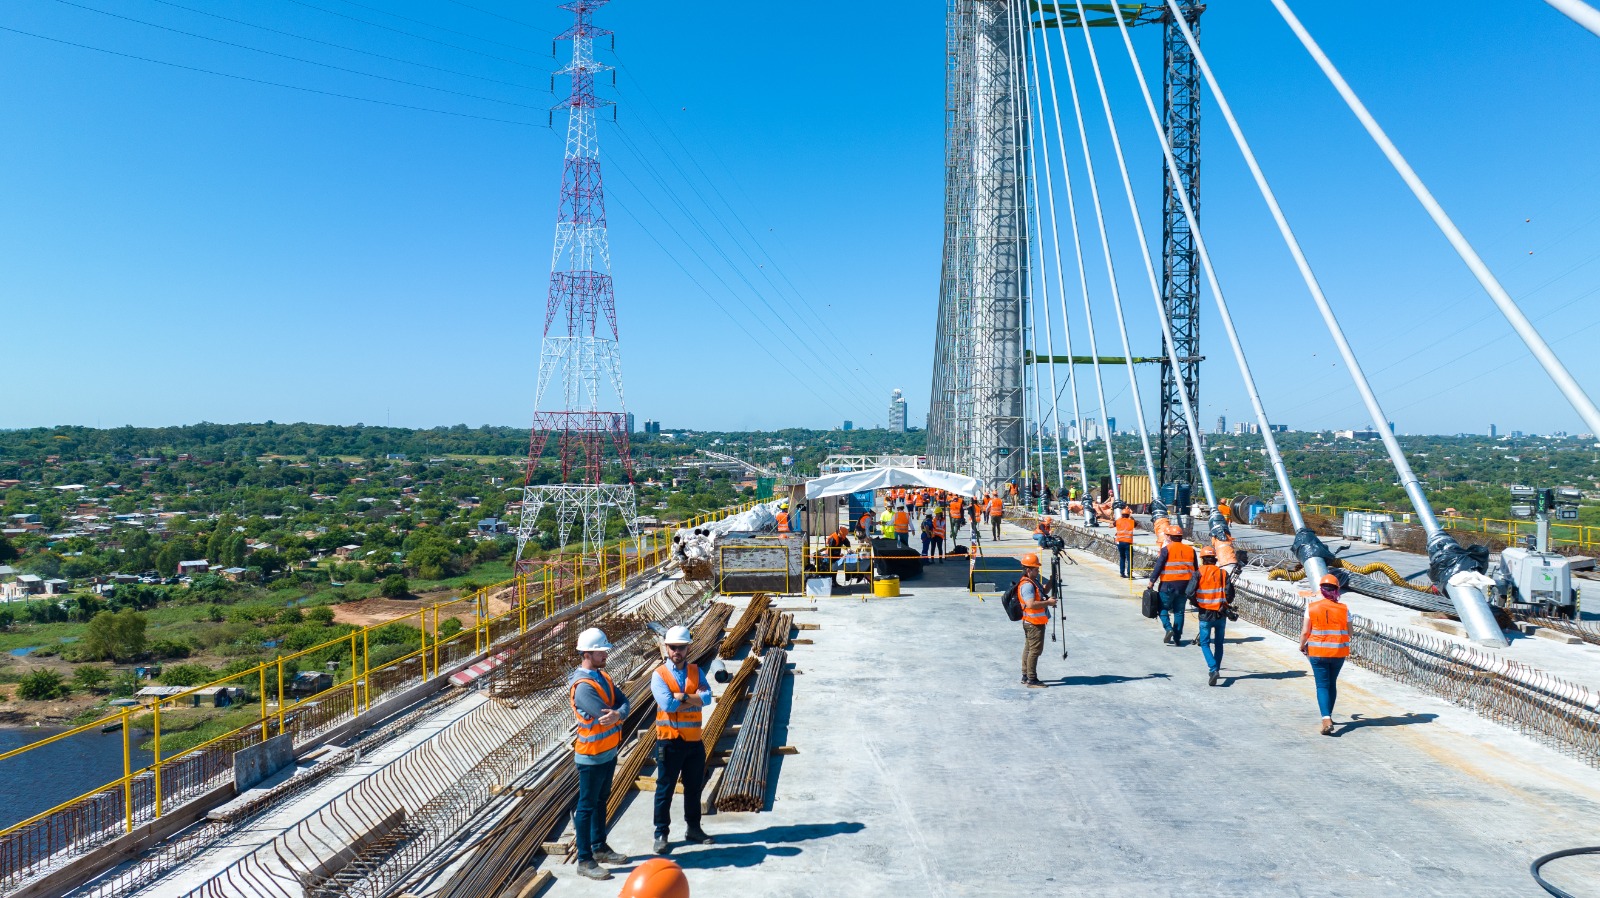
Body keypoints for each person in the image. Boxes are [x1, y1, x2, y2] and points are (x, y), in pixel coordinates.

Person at [569, 628, 632, 880]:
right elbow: (605, 714)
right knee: (586, 806)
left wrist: (620, 713)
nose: (606, 653)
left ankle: (599, 847)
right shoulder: (583, 687)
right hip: (591, 756)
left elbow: (623, 702)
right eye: (601, 650)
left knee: (601, 801)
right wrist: (617, 713)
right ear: (587, 653)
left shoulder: (602, 676)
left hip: (608, 752)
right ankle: (584, 860)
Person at [651, 626, 715, 854]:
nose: (677, 651)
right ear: (666, 648)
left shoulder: (696, 671)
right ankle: (661, 833)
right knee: (665, 788)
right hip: (669, 742)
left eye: (681, 647)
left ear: (688, 648)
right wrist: (693, 699)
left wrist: (684, 697)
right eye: (673, 647)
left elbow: (707, 698)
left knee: (694, 787)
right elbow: (667, 704)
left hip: (694, 741)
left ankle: (693, 828)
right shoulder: (659, 674)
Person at [1300, 573, 1351, 736]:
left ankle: (1326, 718)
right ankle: (1329, 716)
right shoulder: (1344, 609)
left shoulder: (1312, 607)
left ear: (1321, 590)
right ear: (1337, 590)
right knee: (1331, 683)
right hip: (1338, 652)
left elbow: (1305, 632)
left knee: (1322, 685)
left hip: (1317, 652)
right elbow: (1350, 632)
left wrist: (1302, 646)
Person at [1147, 525, 1197, 647]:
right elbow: (1196, 570)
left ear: (1169, 537)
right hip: (1185, 586)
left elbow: (1158, 566)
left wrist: (1152, 581)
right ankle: (1177, 638)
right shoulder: (1191, 550)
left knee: (1162, 608)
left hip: (1168, 585)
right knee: (1179, 611)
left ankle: (1169, 628)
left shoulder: (1166, 549)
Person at [1191, 547, 1234, 686]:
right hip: (1220, 614)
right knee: (1219, 643)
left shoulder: (1198, 573)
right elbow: (1230, 595)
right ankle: (1216, 669)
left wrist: (1197, 603)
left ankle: (1213, 668)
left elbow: (1189, 592)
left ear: (1202, 559)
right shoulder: (1223, 573)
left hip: (1205, 614)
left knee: (1204, 643)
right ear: (1215, 559)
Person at [1017, 552, 1057, 687]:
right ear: (1028, 570)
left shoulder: (1032, 581)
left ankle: (1025, 675)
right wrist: (1049, 603)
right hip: (1034, 623)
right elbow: (1031, 604)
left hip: (1032, 622)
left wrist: (1051, 582)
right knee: (1035, 651)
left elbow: (1043, 592)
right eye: (1035, 569)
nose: (1038, 570)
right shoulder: (1027, 585)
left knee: (1028, 649)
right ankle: (1032, 679)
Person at [1114, 508, 1137, 579]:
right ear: (1128, 515)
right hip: (1128, 543)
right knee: (1129, 559)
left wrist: (1121, 517)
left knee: (1122, 557)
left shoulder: (1118, 521)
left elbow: (1113, 524)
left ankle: (1122, 573)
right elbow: (1136, 524)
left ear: (1122, 515)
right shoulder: (1131, 521)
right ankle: (1129, 574)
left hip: (1120, 542)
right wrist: (1131, 517)